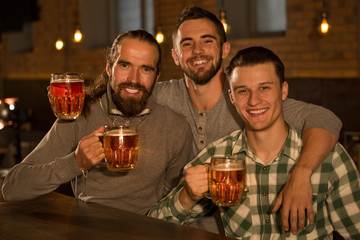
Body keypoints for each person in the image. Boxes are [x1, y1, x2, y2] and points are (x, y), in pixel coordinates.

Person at [151, 6, 342, 234]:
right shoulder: (161, 95)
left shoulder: (250, 101)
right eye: (187, 43)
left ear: (224, 49)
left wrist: (301, 173)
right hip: (180, 229)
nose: (198, 50)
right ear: (175, 55)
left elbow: (325, 119)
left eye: (207, 41)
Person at [1, 29, 193, 215]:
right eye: (125, 65)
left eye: (146, 69)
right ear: (109, 68)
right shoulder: (80, 115)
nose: (134, 79)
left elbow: (172, 198)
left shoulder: (176, 127)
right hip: (87, 230)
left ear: (156, 76)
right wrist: (75, 163)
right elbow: (11, 188)